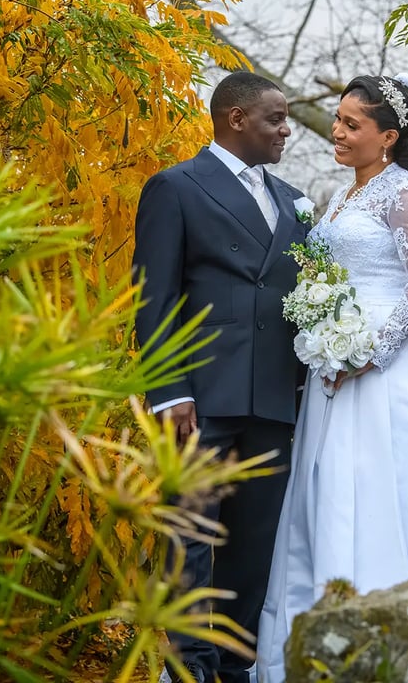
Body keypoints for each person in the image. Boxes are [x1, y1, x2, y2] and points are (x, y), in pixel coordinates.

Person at [255, 73, 408, 683]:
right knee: (326, 488)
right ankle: (320, 635)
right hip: (331, 368)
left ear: (387, 137)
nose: (336, 132)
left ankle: (406, 637)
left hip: (386, 371)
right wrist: (321, 330)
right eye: (336, 120)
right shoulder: (338, 199)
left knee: (385, 488)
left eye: (351, 125)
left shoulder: (404, 195)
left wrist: (371, 352)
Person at [132, 71, 310, 683]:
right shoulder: (175, 188)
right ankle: (189, 669)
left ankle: (235, 670)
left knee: (252, 546)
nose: (287, 128)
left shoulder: (293, 199)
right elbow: (152, 300)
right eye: (275, 118)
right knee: (189, 539)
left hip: (273, 399)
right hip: (200, 399)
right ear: (236, 119)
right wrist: (170, 391)